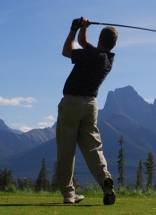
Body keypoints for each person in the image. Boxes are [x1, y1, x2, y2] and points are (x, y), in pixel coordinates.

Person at [56, 17, 118, 205]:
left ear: (100, 39)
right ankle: (105, 180)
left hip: (72, 103)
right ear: (114, 44)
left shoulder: (92, 56)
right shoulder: (107, 59)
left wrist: (73, 28)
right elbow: (83, 43)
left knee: (66, 150)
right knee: (93, 148)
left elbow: (67, 51)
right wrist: (84, 28)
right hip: (91, 106)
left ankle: (69, 194)